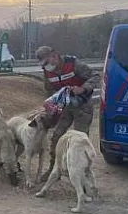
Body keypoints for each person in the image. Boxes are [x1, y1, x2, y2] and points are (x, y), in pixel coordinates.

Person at [36, 46, 100, 181]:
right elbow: (50, 91)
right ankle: (54, 169)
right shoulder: (48, 73)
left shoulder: (73, 64)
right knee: (56, 137)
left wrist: (82, 88)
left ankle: (83, 175)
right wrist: (51, 107)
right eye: (44, 65)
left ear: (54, 55)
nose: (47, 67)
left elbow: (95, 76)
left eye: (47, 62)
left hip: (82, 105)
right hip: (65, 106)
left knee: (79, 141)